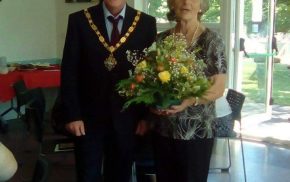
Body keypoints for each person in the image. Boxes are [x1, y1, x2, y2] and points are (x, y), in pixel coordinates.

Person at [60, 0, 157, 181]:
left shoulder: (146, 23)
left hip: (128, 119)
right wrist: (72, 114)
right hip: (87, 119)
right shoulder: (79, 20)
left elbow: (150, 75)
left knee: (120, 175)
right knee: (87, 175)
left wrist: (146, 117)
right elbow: (69, 71)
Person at [149, 0, 227, 181]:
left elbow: (218, 88)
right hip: (164, 130)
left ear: (201, 6)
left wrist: (190, 101)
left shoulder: (212, 41)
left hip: (196, 131)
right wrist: (152, 103)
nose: (186, 2)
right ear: (172, 5)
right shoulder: (161, 40)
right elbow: (152, 80)